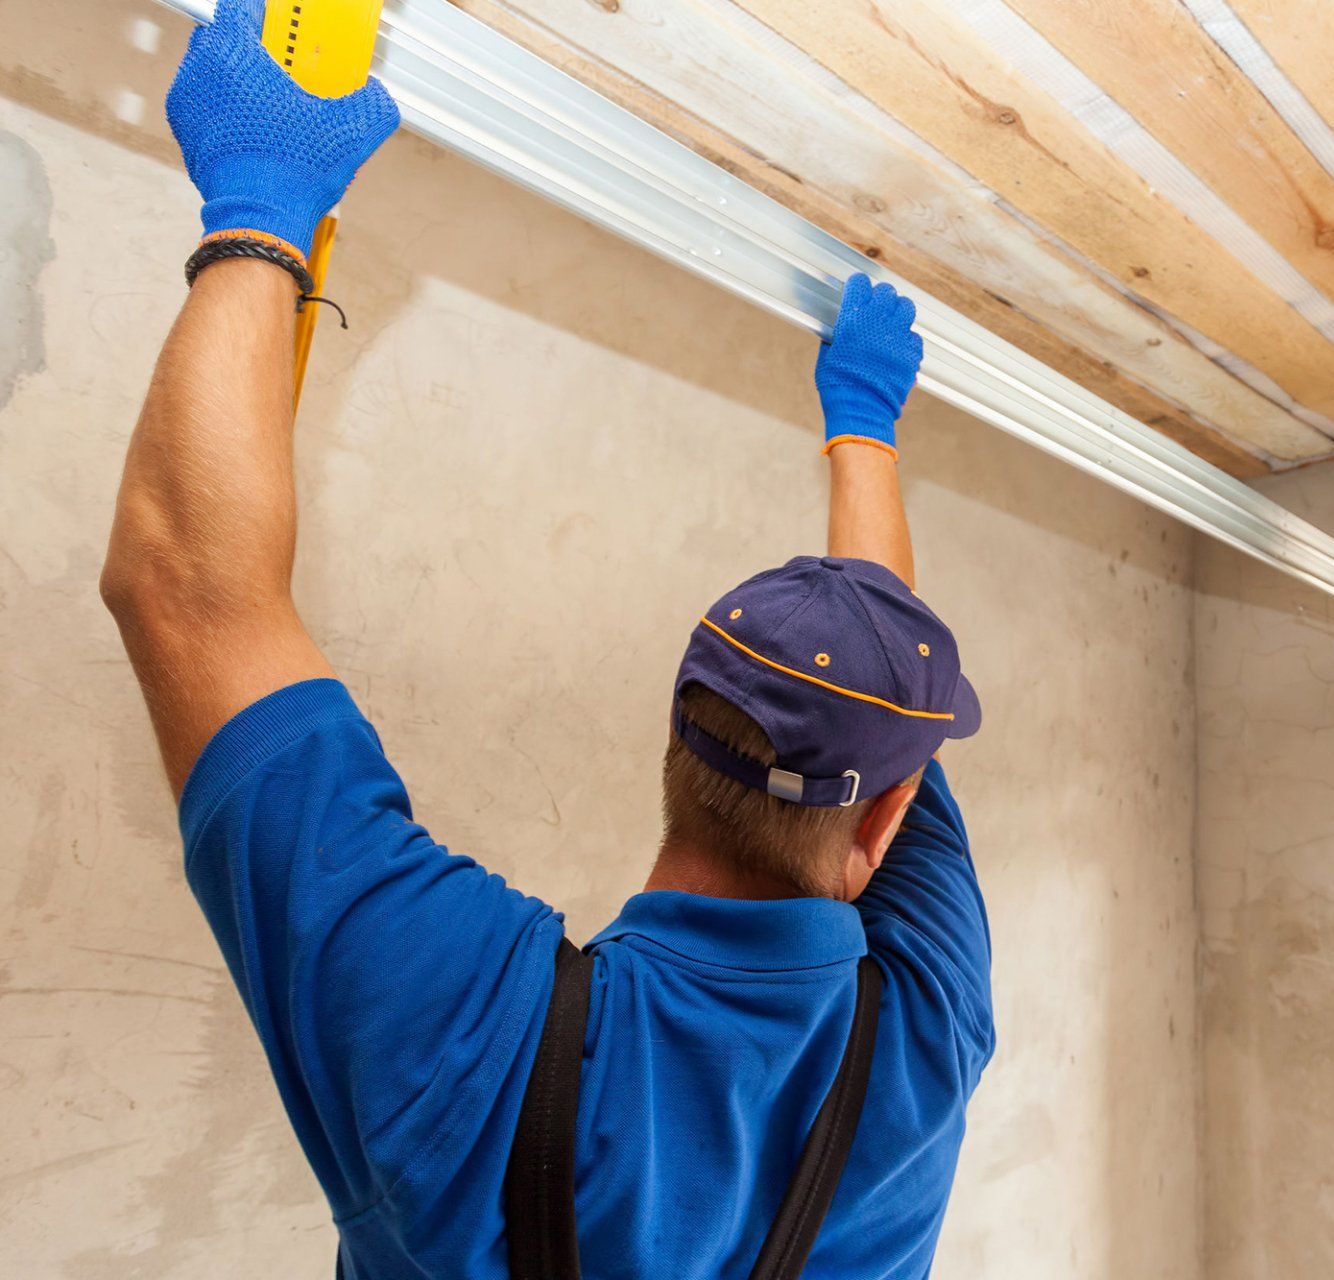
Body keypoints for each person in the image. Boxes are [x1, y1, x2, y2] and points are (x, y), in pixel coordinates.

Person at [100, 4, 991, 1274]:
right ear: (885, 822)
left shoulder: (481, 1036)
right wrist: (865, 427)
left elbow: (194, 590)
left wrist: (262, 198)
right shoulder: (926, 1026)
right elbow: (179, 586)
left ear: (676, 733)